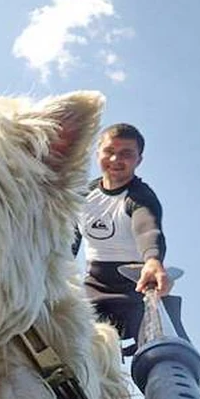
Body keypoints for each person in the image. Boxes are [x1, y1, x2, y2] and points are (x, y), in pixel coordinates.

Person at [73, 123, 171, 344]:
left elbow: (148, 228)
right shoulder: (81, 195)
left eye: (126, 154)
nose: (116, 160)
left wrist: (153, 260)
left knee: (162, 349)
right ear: (98, 153)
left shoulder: (140, 197)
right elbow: (66, 243)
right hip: (93, 287)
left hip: (138, 289)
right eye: (109, 151)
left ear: (139, 160)